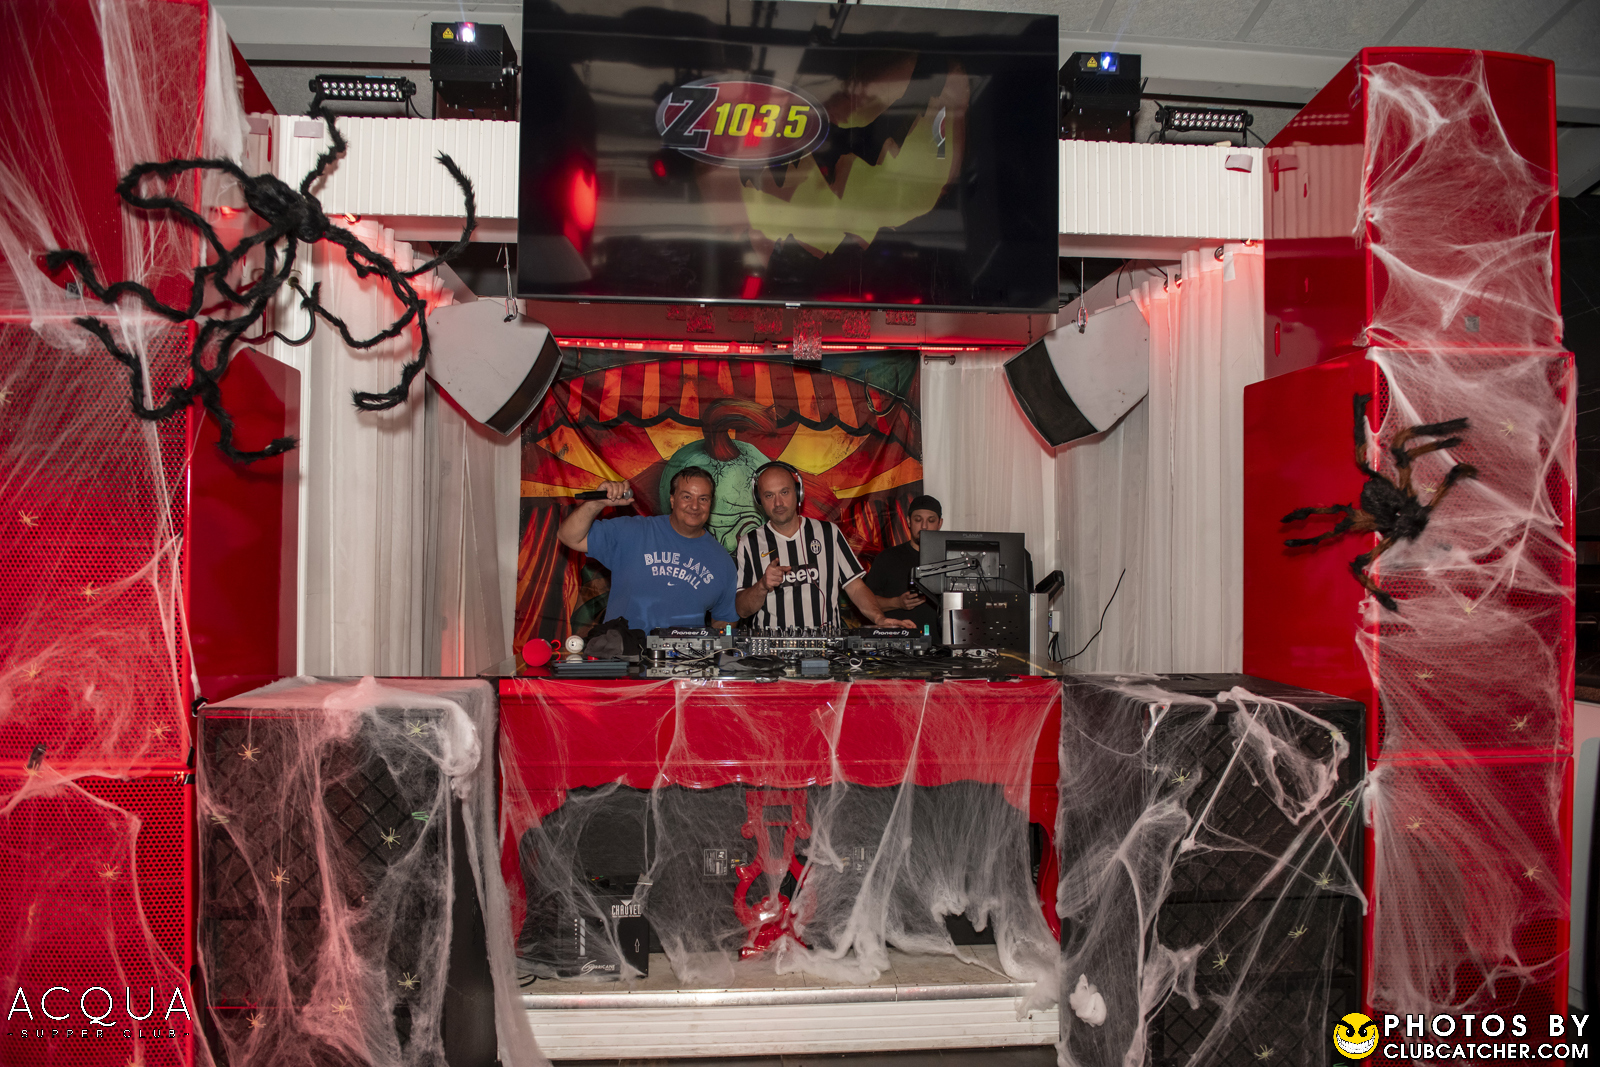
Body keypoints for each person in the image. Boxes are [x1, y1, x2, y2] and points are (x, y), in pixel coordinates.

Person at [734, 461, 915, 629]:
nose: (778, 503)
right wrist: (762, 586)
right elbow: (742, 610)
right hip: (773, 649)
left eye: (784, 492)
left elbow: (856, 587)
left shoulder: (828, 533)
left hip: (825, 646)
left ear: (798, 493)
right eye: (769, 495)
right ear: (759, 499)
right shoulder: (749, 543)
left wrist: (879, 618)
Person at [557, 467, 738, 632]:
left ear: (711, 504)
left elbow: (725, 621)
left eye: (703, 499)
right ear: (672, 500)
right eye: (687, 497)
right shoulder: (633, 531)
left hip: (686, 657)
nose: (695, 506)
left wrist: (719, 647)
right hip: (622, 652)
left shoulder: (721, 561)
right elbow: (569, 537)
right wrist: (596, 503)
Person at [863, 494, 942, 637]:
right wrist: (897, 602)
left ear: (940, 523)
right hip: (898, 644)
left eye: (931, 520)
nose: (924, 526)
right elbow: (866, 602)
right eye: (918, 520)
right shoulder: (887, 558)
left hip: (943, 646)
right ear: (908, 521)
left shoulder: (950, 561)